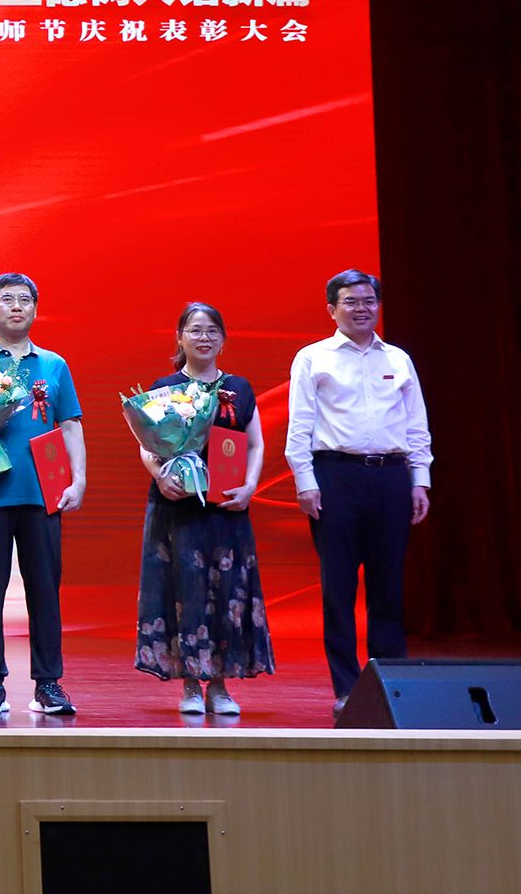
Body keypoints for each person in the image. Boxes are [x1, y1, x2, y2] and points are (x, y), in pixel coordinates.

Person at [286, 269, 434, 714]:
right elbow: (300, 425)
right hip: (336, 476)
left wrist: (419, 479)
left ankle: (391, 684)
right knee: (339, 586)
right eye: (350, 301)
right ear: (332, 309)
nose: (362, 308)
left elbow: (416, 425)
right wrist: (305, 481)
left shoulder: (398, 359)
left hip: (390, 476)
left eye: (369, 300)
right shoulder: (313, 358)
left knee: (388, 584)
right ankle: (347, 687)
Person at [0, 272, 84, 718]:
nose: (16, 307)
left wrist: (79, 479)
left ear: (35, 309)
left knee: (45, 590)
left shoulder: (54, 365)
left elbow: (70, 425)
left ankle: (48, 683)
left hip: (43, 492)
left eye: (25, 300)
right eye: (6, 300)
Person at [132, 303, 274, 715]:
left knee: (227, 593)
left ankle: (221, 687)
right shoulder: (165, 387)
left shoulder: (239, 388)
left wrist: (250, 486)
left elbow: (256, 443)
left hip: (226, 507)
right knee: (185, 591)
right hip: (177, 507)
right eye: (195, 330)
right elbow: (147, 445)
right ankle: (191, 686)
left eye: (212, 330)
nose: (204, 338)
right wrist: (160, 475)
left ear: (223, 339)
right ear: (180, 337)